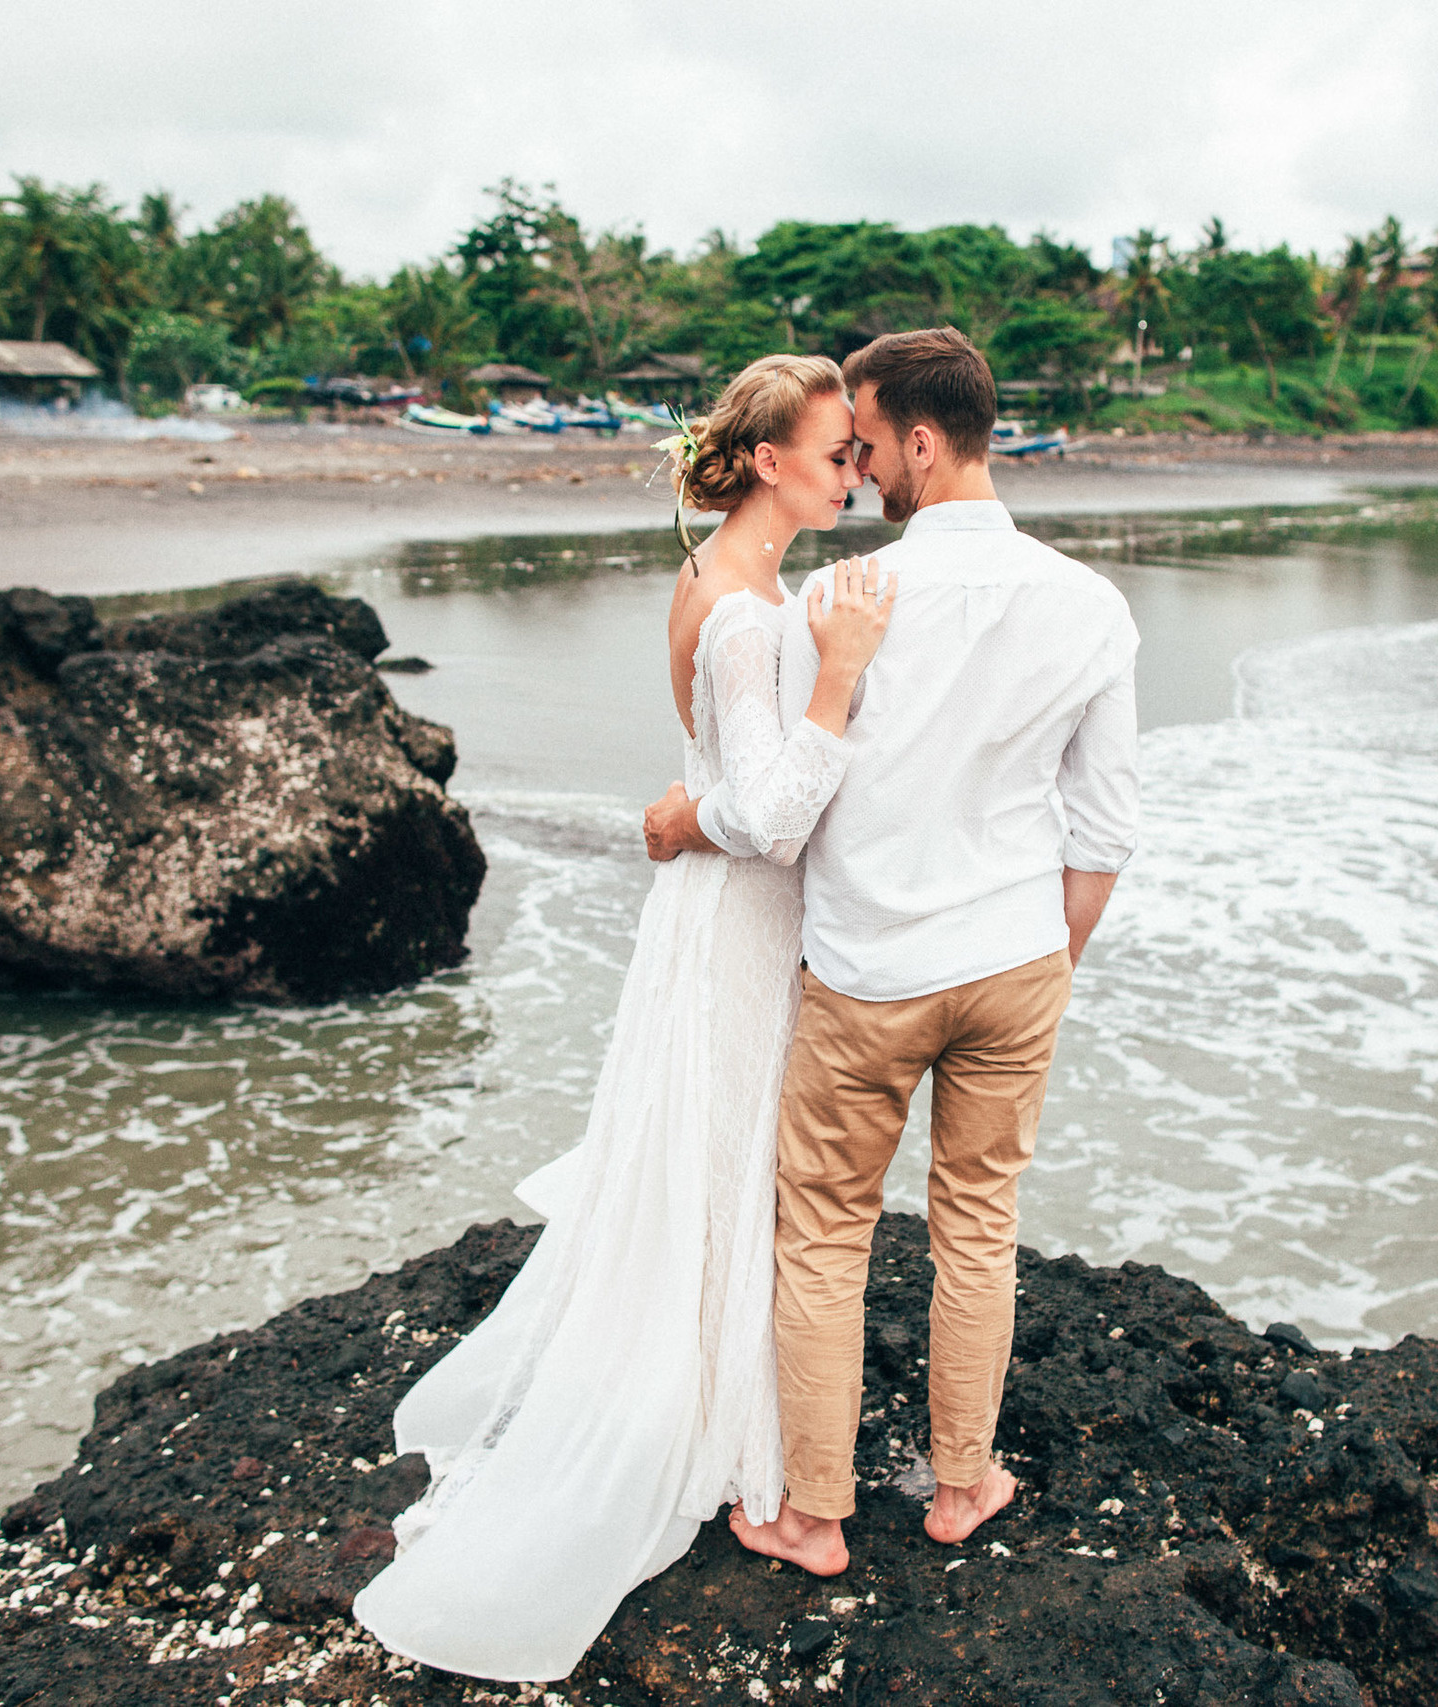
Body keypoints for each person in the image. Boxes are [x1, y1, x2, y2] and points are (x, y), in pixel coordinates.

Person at [352, 354, 895, 1682]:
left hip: (700, 914)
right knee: (726, 1171)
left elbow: (709, 779)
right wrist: (843, 679)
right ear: (769, 458)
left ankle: (695, 1395)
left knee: (704, 1161)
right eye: (837, 451)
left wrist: (696, 804)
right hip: (740, 924)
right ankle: (708, 1426)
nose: (855, 473)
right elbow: (768, 814)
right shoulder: (765, 618)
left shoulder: (709, 570)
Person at [646, 327, 1140, 1577]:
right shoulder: (1091, 604)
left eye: (865, 442)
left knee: (825, 1234)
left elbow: (782, 801)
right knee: (977, 1224)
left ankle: (815, 1514)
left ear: (920, 441)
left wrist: (686, 819)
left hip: (868, 974)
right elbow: (1104, 825)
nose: (861, 469)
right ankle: (961, 1484)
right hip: (1017, 961)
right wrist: (1049, 963)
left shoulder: (839, 602)